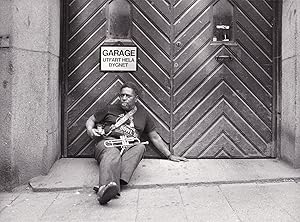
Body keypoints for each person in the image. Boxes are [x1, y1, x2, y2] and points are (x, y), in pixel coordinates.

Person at [86, 82, 187, 205]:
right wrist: (90, 130)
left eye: (128, 96)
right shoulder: (109, 109)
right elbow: (91, 120)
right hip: (107, 143)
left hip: (129, 145)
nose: (123, 98)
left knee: (140, 147)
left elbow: (154, 137)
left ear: (136, 98)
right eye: (122, 95)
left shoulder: (143, 115)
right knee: (112, 153)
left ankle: (112, 185)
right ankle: (104, 190)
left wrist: (169, 155)